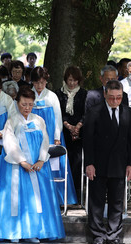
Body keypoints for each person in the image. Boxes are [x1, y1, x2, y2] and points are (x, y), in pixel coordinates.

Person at [0, 86, 65, 243]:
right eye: (23, 104)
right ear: (17, 103)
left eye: (30, 104)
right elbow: (9, 143)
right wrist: (22, 161)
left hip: (37, 166)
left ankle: (35, 231)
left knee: (36, 198)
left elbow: (45, 140)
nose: (27, 108)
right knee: (17, 197)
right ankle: (14, 232)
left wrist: (41, 159)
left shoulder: (39, 120)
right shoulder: (11, 121)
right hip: (17, 165)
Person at [84, 80, 131, 244]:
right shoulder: (94, 112)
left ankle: (114, 235)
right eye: (112, 97)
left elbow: (130, 142)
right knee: (97, 200)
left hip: (119, 163)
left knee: (117, 201)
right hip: (99, 163)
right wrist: (89, 163)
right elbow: (88, 140)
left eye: (119, 98)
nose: (115, 101)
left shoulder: (128, 112)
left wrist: (130, 164)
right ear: (105, 94)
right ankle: (98, 235)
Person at [30, 66, 78, 206]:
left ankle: (58, 198)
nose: (39, 86)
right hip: (33, 134)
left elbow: (57, 117)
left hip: (50, 134)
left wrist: (57, 135)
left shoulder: (52, 96)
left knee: (53, 165)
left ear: (46, 82)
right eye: (36, 82)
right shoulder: (28, 95)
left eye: (42, 82)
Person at [54, 66, 87, 199]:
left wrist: (78, 126)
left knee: (77, 161)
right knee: (63, 161)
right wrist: (68, 126)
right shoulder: (58, 93)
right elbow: (58, 113)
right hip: (64, 131)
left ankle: (77, 192)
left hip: (80, 132)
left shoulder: (84, 93)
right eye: (70, 80)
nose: (72, 83)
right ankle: (63, 193)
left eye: (75, 80)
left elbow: (86, 112)